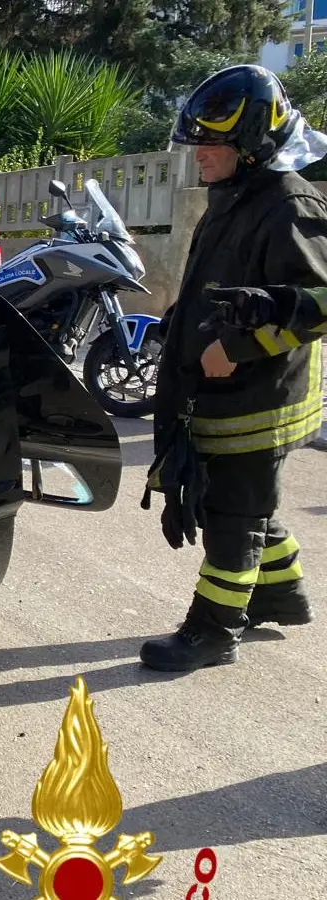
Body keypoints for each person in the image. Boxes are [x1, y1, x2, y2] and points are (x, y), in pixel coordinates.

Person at [139, 63, 327, 672]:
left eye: (212, 144)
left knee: (231, 514)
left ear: (253, 145)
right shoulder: (236, 196)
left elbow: (318, 306)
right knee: (243, 504)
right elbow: (221, 282)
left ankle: (212, 633)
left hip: (258, 397)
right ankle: (283, 595)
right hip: (224, 393)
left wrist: (238, 347)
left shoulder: (290, 203)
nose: (199, 154)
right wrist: (180, 322)